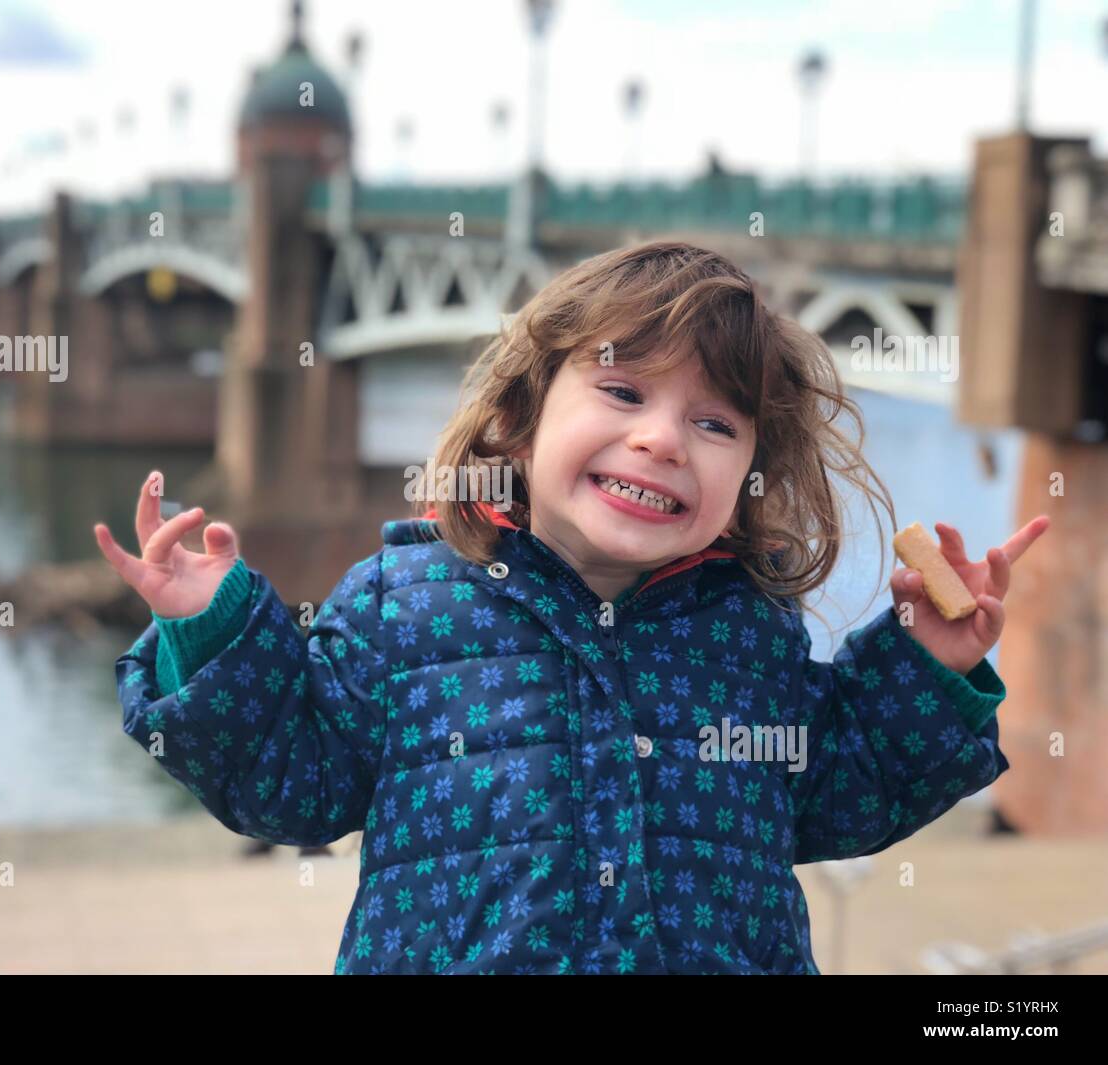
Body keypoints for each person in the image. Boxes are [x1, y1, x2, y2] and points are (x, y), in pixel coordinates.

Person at [94, 240, 1048, 974]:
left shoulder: (750, 636)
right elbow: (288, 785)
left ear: (752, 472)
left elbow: (841, 788)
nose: (663, 439)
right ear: (519, 418)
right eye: (623, 390)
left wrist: (929, 662)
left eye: (715, 423)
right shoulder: (405, 608)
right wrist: (212, 633)